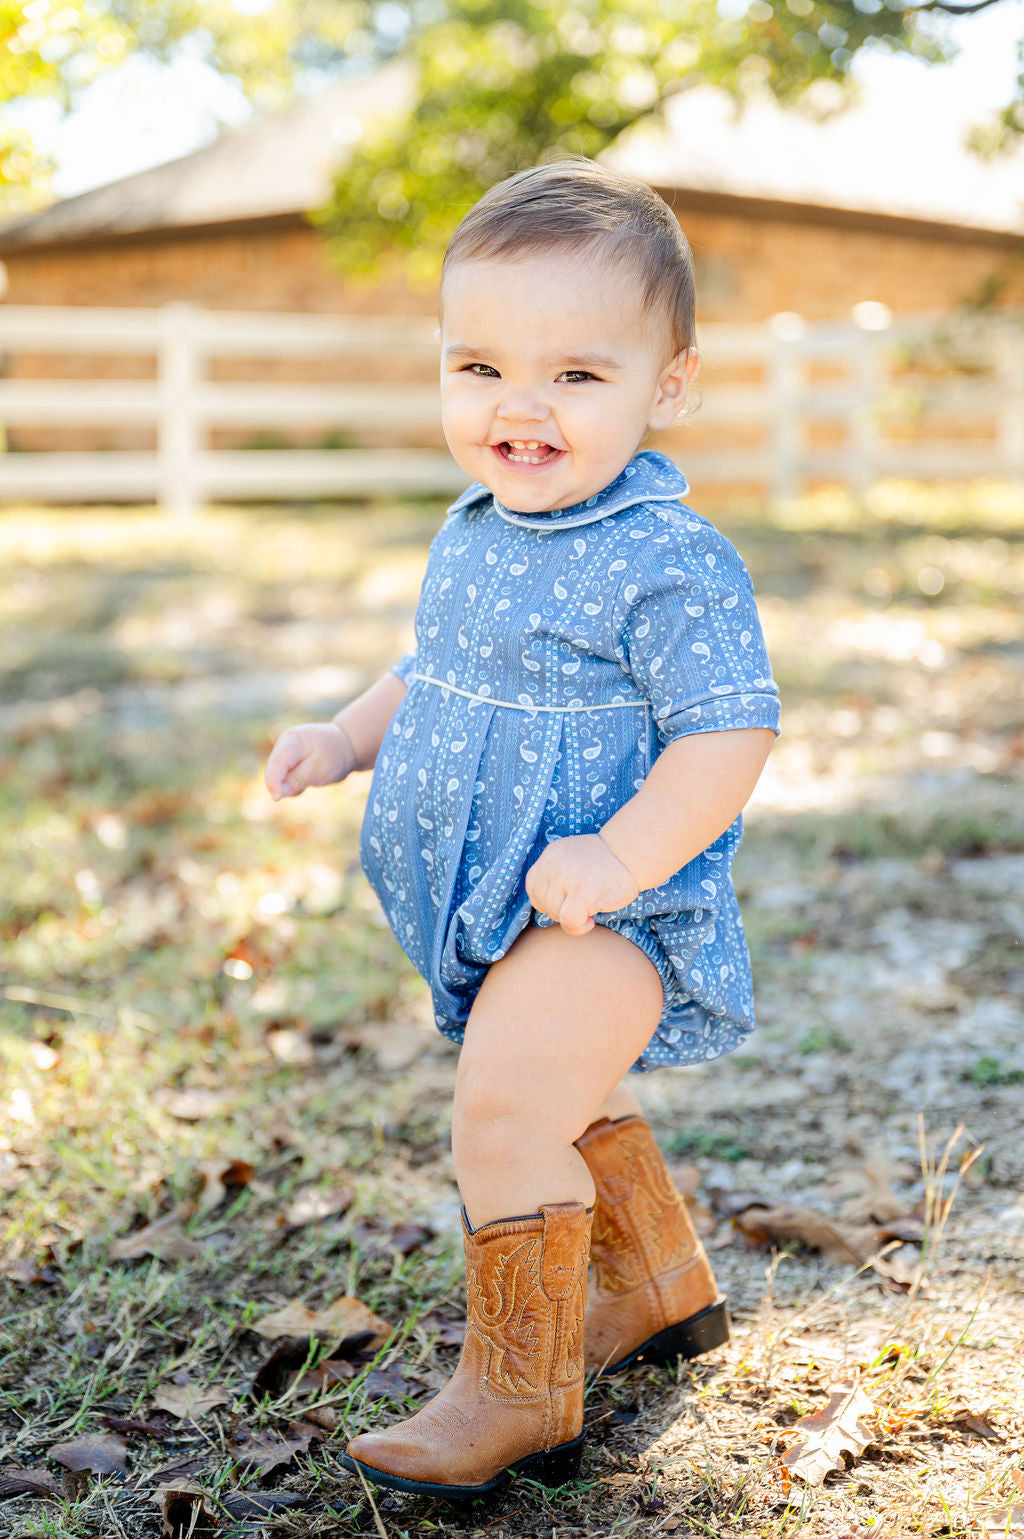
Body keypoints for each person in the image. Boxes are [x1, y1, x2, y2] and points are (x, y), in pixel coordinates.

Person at [264, 156, 780, 1502]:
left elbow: (730, 734)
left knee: (500, 1114)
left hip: (608, 914)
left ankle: (516, 1386)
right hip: (494, 899)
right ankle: (654, 1284)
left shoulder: (670, 556)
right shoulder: (478, 529)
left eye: (576, 375)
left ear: (668, 387)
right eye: (479, 367)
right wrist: (343, 735)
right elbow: (433, 667)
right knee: (555, 1094)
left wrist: (619, 860)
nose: (519, 407)